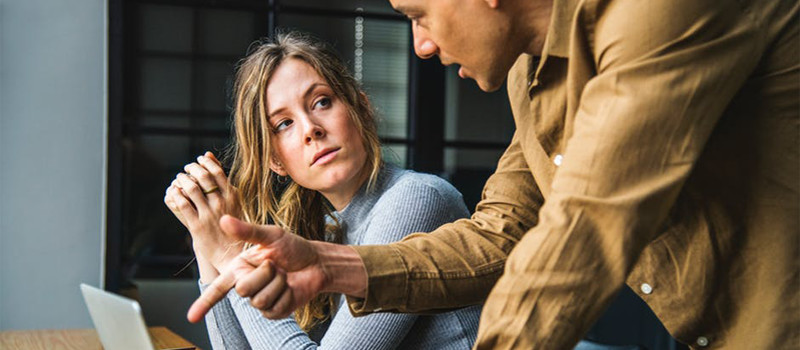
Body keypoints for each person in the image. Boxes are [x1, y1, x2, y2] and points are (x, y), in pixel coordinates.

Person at [191, 0, 800, 348]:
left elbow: (583, 233)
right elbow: (501, 234)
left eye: (420, 13)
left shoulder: (658, 13)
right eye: (282, 125)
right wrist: (329, 266)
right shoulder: (529, 77)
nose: (421, 45)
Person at [165, 32, 483, 349]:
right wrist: (205, 238)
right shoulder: (324, 230)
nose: (310, 129)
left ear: (362, 108)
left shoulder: (416, 198)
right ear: (275, 161)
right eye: (284, 124)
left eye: (322, 102)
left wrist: (230, 254)